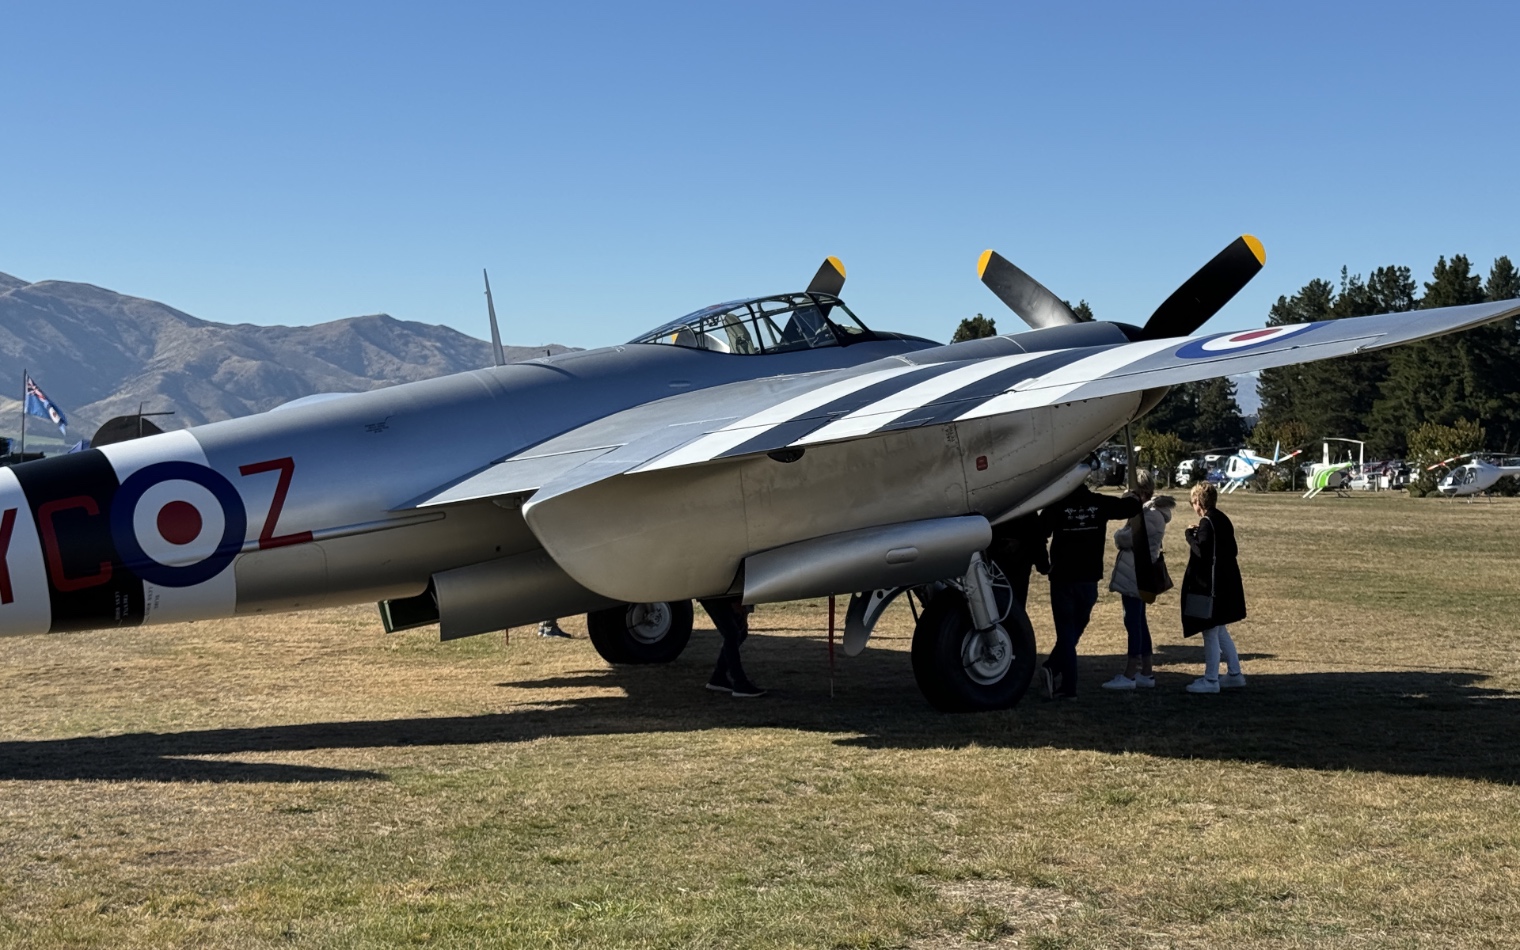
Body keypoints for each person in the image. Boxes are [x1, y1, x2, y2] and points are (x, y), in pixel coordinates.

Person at [1038, 482, 1142, 699]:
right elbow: (1130, 508)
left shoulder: (1057, 505)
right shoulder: (1098, 503)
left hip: (1063, 578)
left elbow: (1038, 533)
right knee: (1075, 628)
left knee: (1066, 631)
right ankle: (1056, 672)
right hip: (1088, 578)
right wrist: (1133, 496)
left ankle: (1065, 683)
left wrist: (1042, 563)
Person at [1101, 472, 1176, 690]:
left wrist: (1124, 525)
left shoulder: (1150, 515)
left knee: (1133, 621)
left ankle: (1131, 673)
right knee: (1138, 621)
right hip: (1135, 572)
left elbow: (1125, 538)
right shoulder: (1148, 512)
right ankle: (1146, 671)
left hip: (1137, 573)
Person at [1180, 482, 1247, 693]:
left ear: (1199, 502)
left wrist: (1189, 535)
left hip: (1212, 585)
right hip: (1226, 582)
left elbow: (1202, 551)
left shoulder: (1207, 522)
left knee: (1209, 631)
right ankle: (1235, 673)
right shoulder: (1222, 519)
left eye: (1193, 502)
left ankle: (1211, 680)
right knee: (1219, 629)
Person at [698, 596, 765, 697]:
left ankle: (719, 677)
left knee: (738, 633)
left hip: (720, 594)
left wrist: (744, 612)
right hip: (716, 594)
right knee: (732, 635)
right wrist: (735, 602)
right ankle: (739, 682)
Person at [988, 512, 1049, 611]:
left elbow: (1037, 536)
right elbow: (1038, 537)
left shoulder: (994, 508)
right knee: (1017, 602)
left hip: (1001, 564)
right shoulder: (1025, 510)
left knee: (997, 602)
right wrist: (1043, 564)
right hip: (1017, 563)